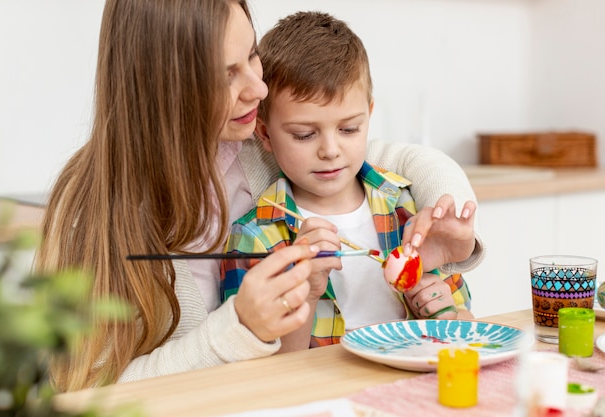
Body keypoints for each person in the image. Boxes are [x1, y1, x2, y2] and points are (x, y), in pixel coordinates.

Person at [35, 0, 484, 391]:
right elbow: (87, 392)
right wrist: (236, 329)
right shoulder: (90, 215)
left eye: (251, 56)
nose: (259, 87)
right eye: (228, 74)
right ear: (167, 89)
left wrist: (448, 210)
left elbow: (390, 157)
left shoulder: (253, 141)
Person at [221, 11, 477, 352]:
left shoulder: (404, 206)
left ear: (369, 115)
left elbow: (464, 325)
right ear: (265, 134)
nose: (330, 150)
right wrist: (308, 291)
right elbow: (266, 371)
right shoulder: (255, 237)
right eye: (304, 134)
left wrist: (444, 312)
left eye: (349, 129)